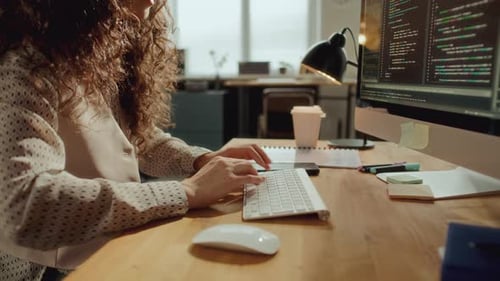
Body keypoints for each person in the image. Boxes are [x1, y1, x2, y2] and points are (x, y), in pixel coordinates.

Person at [0, 0, 271, 280]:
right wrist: (186, 192)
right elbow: (26, 206)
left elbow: (140, 142)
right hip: (49, 269)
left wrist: (201, 160)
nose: (154, 2)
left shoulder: (89, 51)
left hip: (108, 247)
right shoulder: (22, 67)